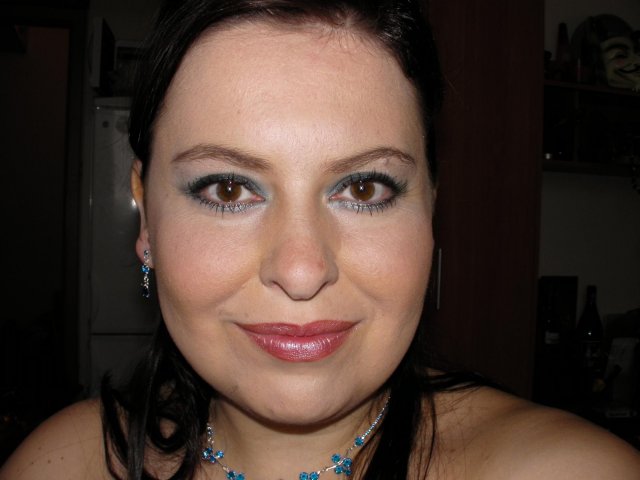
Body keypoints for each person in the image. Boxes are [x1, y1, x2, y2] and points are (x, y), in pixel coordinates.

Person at [2, 1, 639, 479]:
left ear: (431, 207)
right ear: (146, 215)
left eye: (363, 188)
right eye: (228, 189)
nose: (302, 270)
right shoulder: (58, 465)